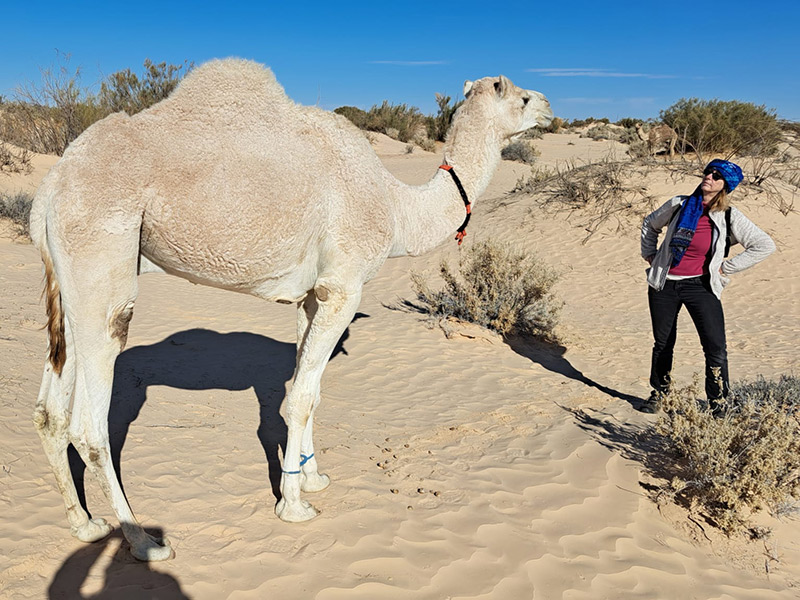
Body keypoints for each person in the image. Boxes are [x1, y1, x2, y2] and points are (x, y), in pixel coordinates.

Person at [638, 159, 775, 413]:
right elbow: (650, 224)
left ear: (724, 186)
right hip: (664, 285)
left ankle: (718, 403)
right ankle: (659, 393)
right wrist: (649, 253)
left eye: (716, 176)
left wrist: (726, 268)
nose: (708, 177)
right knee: (663, 342)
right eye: (708, 173)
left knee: (715, 347)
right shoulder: (679, 204)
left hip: (701, 287)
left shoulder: (728, 215)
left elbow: (764, 244)